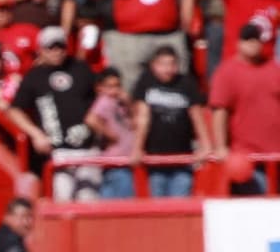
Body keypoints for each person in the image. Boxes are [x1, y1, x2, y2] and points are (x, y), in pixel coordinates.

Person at [8, 26, 100, 201]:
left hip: (87, 149)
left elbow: (99, 101)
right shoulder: (34, 76)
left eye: (60, 46)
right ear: (41, 49)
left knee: (89, 203)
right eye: (51, 47)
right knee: (62, 201)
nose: (56, 52)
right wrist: (36, 134)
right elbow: (15, 110)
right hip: (57, 152)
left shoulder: (81, 68)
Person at [128, 46, 212, 198]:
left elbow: (196, 116)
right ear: (154, 65)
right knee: (158, 205)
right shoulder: (146, 82)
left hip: (183, 158)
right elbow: (142, 118)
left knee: (180, 202)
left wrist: (205, 145)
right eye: (163, 64)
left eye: (172, 64)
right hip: (155, 160)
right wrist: (137, 148)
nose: (167, 69)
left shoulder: (186, 83)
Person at [210, 22, 280, 195]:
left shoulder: (273, 68)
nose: (253, 44)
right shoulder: (227, 72)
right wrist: (220, 146)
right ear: (238, 43)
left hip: (277, 156)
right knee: (255, 212)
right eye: (248, 40)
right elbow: (219, 111)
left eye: (256, 40)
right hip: (248, 158)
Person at [85, 68, 137, 198]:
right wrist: (109, 134)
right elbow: (91, 119)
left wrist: (129, 102)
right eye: (110, 86)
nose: (115, 90)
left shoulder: (121, 102)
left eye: (117, 85)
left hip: (125, 160)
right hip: (115, 160)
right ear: (100, 88)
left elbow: (136, 119)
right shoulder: (104, 101)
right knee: (122, 203)